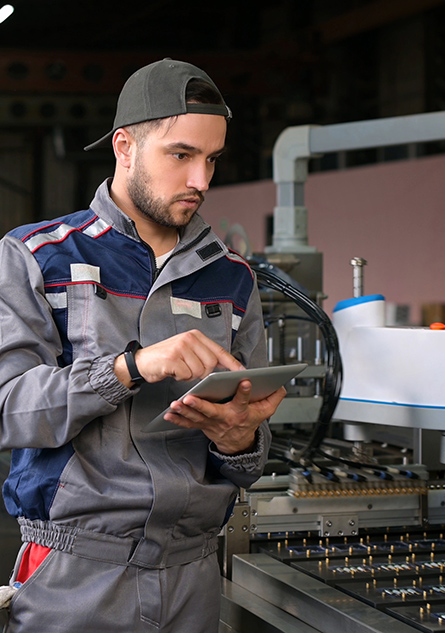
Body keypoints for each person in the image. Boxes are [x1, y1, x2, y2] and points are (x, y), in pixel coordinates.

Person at [0, 58, 285, 632]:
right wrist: (129, 368)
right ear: (125, 147)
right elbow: (10, 411)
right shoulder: (36, 256)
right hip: (75, 576)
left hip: (194, 578)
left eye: (211, 160)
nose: (201, 180)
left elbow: (248, 455)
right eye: (181, 155)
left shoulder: (233, 279)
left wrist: (241, 441)